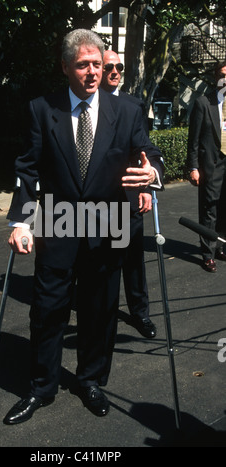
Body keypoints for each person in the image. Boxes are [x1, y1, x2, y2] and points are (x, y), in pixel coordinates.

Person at [3, 29, 164, 425]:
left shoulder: (125, 110)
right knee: (47, 309)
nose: (93, 72)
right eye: (83, 65)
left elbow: (150, 154)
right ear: (65, 67)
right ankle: (42, 386)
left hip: (110, 226)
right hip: (57, 224)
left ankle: (91, 379)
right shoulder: (43, 109)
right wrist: (22, 222)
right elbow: (28, 169)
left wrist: (152, 174)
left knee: (100, 310)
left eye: (97, 64)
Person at [100, 49, 157, 338]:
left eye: (119, 67)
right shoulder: (85, 106)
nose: (115, 71)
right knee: (101, 265)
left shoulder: (134, 105)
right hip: (93, 204)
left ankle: (141, 314)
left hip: (127, 200)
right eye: (108, 66)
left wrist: (147, 186)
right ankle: (102, 317)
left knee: (134, 263)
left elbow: (143, 151)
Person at [187, 61, 226, 272]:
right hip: (211, 165)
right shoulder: (203, 103)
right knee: (209, 209)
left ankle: (220, 246)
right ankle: (207, 253)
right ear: (215, 78)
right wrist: (193, 167)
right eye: (222, 75)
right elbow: (192, 140)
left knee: (224, 208)